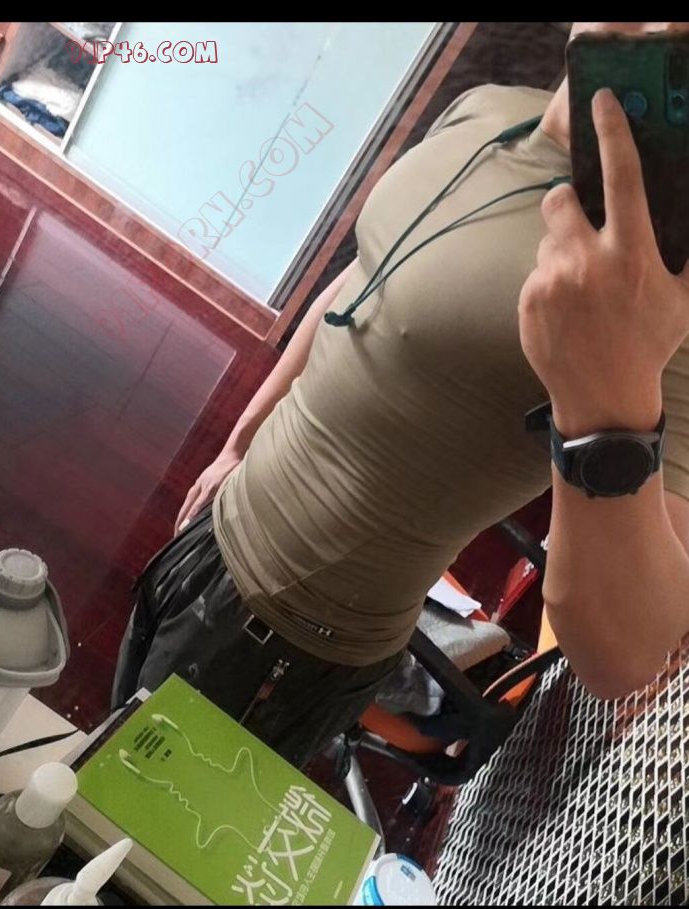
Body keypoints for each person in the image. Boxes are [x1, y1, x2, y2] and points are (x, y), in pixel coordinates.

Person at [113, 21, 689, 769]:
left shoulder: (656, 283)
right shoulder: (488, 109)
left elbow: (627, 655)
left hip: (288, 642)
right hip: (210, 539)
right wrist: (237, 444)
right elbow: (360, 281)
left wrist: (609, 405)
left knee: (106, 829)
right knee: (70, 783)